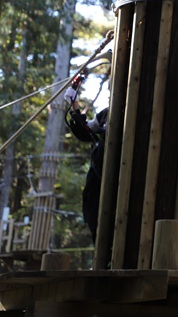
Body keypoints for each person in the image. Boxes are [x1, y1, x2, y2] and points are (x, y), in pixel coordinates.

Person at [64, 77, 107, 243]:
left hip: (118, 169)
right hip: (100, 169)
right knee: (92, 203)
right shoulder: (106, 113)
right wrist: (74, 105)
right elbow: (86, 130)